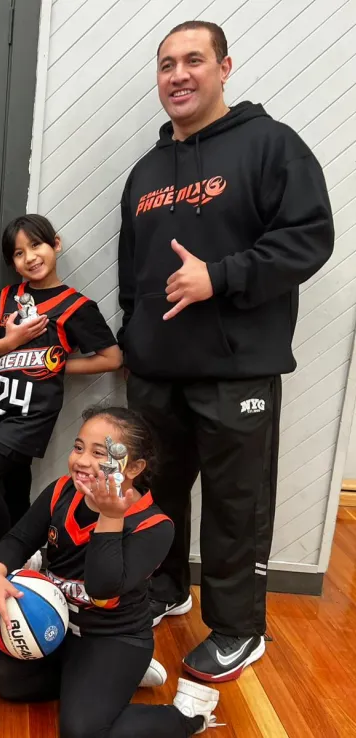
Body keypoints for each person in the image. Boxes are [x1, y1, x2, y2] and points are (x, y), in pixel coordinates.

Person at [117, 20, 334, 681]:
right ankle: (167, 588)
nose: (178, 75)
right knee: (158, 493)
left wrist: (222, 276)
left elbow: (308, 238)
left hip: (236, 369)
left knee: (238, 505)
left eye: (193, 60)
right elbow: (134, 272)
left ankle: (240, 628)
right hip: (155, 373)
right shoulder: (147, 171)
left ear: (224, 67)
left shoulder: (272, 146)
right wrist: (133, 339)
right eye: (165, 65)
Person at [0, 407, 221, 736]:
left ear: (134, 468)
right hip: (63, 627)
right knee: (1, 675)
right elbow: (19, 538)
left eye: (100, 453)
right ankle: (103, 683)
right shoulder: (60, 492)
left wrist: (110, 517)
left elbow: (102, 588)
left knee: (81, 732)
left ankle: (185, 715)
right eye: (79, 448)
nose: (82, 460)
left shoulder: (155, 526)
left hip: (114, 638)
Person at [0, 215, 122, 567]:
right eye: (19, 253)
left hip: (32, 415)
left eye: (36, 245)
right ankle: (24, 562)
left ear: (55, 244)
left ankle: (14, 559)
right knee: (14, 488)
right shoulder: (7, 297)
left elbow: (112, 358)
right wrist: (12, 340)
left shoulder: (75, 307)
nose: (30, 257)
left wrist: (58, 365)